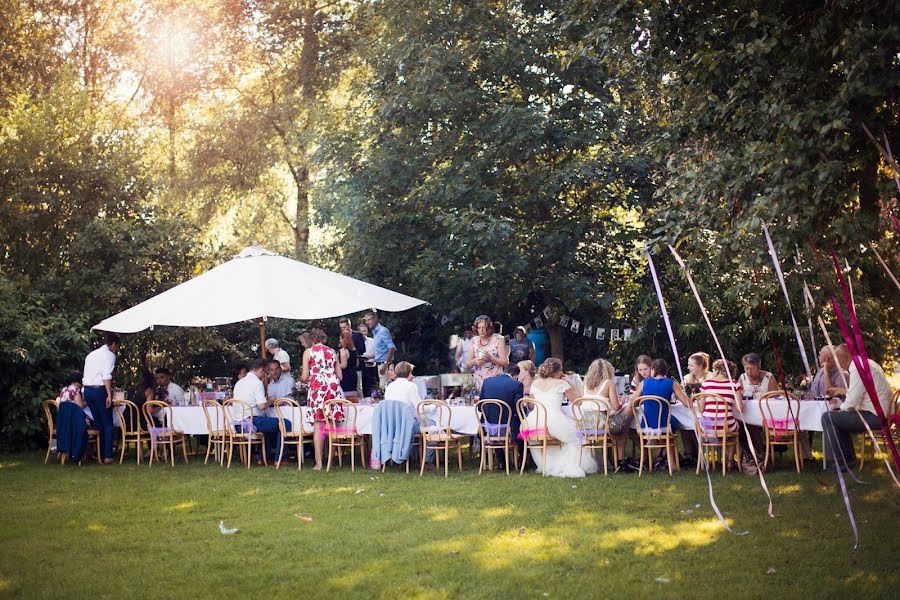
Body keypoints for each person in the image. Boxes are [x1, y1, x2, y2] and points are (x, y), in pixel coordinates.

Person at [821, 344, 893, 470]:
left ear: (844, 357)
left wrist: (840, 410)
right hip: (881, 413)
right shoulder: (866, 363)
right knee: (837, 416)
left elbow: (852, 402)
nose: (837, 364)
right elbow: (862, 392)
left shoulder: (857, 368)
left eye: (837, 359)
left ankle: (842, 463)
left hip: (875, 416)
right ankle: (848, 459)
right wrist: (844, 392)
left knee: (828, 417)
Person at [523, 358, 599, 477]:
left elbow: (531, 405)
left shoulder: (535, 383)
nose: (562, 372)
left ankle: (547, 464)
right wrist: (571, 382)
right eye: (561, 370)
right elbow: (578, 401)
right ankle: (571, 464)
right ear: (557, 371)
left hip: (534, 422)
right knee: (576, 437)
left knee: (565, 436)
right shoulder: (561, 383)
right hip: (554, 421)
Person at [633, 358, 690, 471]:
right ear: (666, 371)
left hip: (647, 424)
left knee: (666, 422)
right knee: (672, 426)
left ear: (653, 370)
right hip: (665, 423)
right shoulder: (671, 383)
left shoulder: (644, 383)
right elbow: (686, 403)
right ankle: (672, 463)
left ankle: (651, 460)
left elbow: (632, 403)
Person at [231, 359, 291, 465]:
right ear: (261, 370)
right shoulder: (257, 383)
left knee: (270, 426)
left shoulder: (239, 383)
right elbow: (262, 406)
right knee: (285, 423)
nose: (265, 376)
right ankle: (279, 458)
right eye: (265, 372)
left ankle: (262, 458)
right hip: (251, 422)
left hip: (238, 424)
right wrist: (270, 401)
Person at [300, 327, 344, 470]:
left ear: (311, 339)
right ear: (323, 338)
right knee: (330, 423)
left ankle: (319, 463)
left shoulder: (309, 352)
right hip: (332, 387)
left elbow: (305, 376)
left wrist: (303, 379)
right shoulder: (332, 352)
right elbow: (340, 376)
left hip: (318, 388)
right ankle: (330, 460)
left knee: (319, 426)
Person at [583, 358, 637, 473]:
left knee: (623, 425)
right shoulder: (608, 383)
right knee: (630, 408)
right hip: (604, 427)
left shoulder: (585, 384)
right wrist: (622, 401)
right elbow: (616, 407)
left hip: (587, 426)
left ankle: (620, 461)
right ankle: (621, 461)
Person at [699, 359, 745, 470]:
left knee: (711, 423)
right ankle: (730, 460)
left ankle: (703, 461)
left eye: (713, 369)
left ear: (718, 370)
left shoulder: (706, 384)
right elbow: (739, 409)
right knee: (736, 427)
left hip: (707, 426)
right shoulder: (734, 384)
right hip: (726, 424)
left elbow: (701, 408)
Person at [82, 332, 120, 464]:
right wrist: (109, 394)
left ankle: (99, 453)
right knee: (108, 423)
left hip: (87, 390)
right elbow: (106, 376)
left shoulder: (91, 355)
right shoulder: (109, 355)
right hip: (99, 390)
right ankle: (107, 455)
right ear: (114, 344)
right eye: (117, 347)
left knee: (98, 423)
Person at [479, 363, 525, 469]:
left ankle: (501, 461)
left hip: (488, 427)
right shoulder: (516, 384)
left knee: (495, 428)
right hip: (508, 428)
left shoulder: (487, 382)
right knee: (523, 427)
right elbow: (517, 409)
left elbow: (480, 406)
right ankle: (523, 460)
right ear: (515, 375)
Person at [466, 315, 509, 391]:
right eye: (479, 328)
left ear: (489, 328)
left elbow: (505, 363)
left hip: (496, 380)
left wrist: (491, 358)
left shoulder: (498, 339)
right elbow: (468, 364)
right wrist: (475, 361)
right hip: (479, 381)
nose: (482, 330)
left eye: (484, 327)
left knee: (495, 402)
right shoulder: (474, 341)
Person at [56, 372, 88, 463]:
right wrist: (88, 402)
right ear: (78, 382)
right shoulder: (75, 390)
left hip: (65, 422)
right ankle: (89, 453)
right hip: (74, 422)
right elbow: (80, 406)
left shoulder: (64, 389)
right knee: (95, 424)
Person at [364, 311, 396, 387]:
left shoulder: (382, 331)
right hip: (379, 365)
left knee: (384, 390)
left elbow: (391, 348)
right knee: (382, 389)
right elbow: (382, 350)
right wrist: (371, 358)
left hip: (385, 366)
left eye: (369, 320)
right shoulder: (375, 332)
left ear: (375, 319)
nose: (367, 322)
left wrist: (385, 365)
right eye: (366, 320)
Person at [337, 330, 360, 400]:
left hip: (345, 376)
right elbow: (357, 364)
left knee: (345, 397)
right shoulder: (354, 350)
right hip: (353, 374)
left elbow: (344, 365)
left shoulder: (343, 351)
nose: (340, 341)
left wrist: (335, 366)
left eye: (341, 339)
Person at [357, 322, 378, 397]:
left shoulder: (372, 341)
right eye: (362, 331)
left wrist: (371, 358)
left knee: (372, 388)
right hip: (360, 368)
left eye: (365, 331)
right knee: (361, 388)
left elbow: (378, 354)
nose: (364, 333)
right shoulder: (355, 342)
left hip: (371, 367)